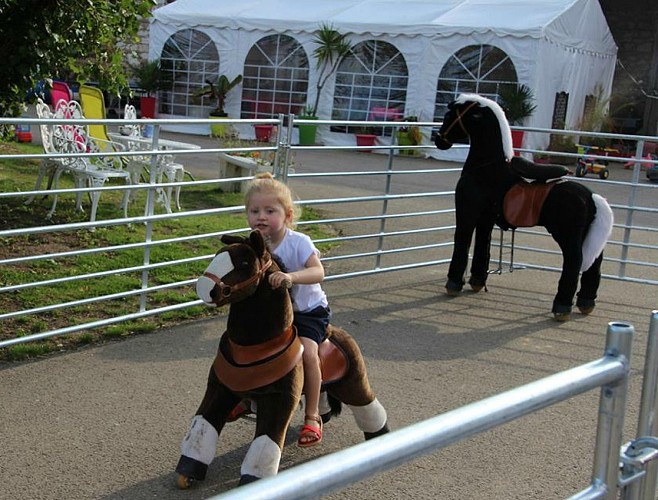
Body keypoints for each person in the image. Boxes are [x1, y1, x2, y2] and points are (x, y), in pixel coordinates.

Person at [244, 172, 331, 448]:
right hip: (276, 315)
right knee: (245, 346)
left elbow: (318, 271)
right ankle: (244, 398)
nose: (261, 216)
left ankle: (312, 414)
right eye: (254, 210)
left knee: (307, 353)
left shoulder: (299, 242)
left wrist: (291, 277)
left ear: (288, 215)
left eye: (270, 211)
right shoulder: (254, 245)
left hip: (307, 311)